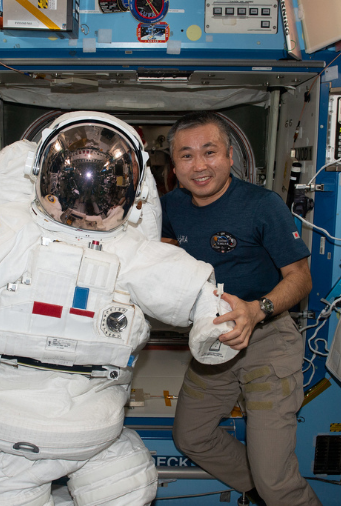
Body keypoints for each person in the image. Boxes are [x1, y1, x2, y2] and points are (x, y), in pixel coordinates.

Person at [0, 111, 234, 506]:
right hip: (81, 431)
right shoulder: (20, 231)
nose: (87, 199)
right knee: (125, 487)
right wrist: (214, 329)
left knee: (101, 488)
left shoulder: (2, 235)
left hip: (12, 425)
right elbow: (198, 294)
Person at [163, 111, 320, 505]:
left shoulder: (261, 205)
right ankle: (258, 489)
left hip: (267, 339)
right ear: (174, 166)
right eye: (186, 156)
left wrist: (257, 309)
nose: (199, 166)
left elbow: (301, 278)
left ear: (230, 156)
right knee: (191, 436)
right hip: (212, 341)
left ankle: (272, 489)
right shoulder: (169, 208)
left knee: (278, 479)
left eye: (209, 152)